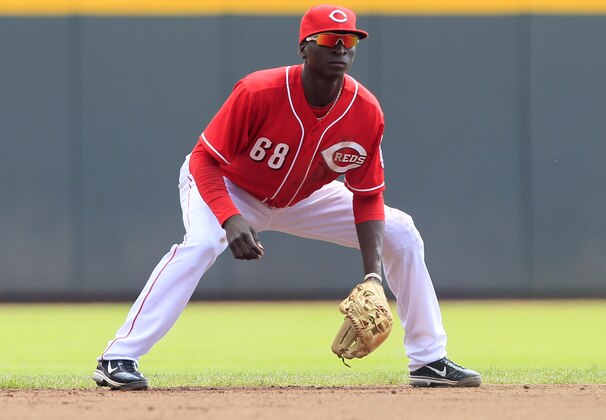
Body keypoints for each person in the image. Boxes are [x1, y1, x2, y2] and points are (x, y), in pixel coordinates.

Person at [92, 4, 481, 390]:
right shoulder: (259, 91)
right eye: (330, 40)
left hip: (305, 198)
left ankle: (428, 360)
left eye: (349, 41)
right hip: (230, 186)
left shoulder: (365, 111)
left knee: (402, 232)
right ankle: (118, 357)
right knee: (201, 244)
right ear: (304, 48)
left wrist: (373, 276)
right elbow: (204, 160)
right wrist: (229, 217)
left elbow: (367, 196)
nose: (340, 48)